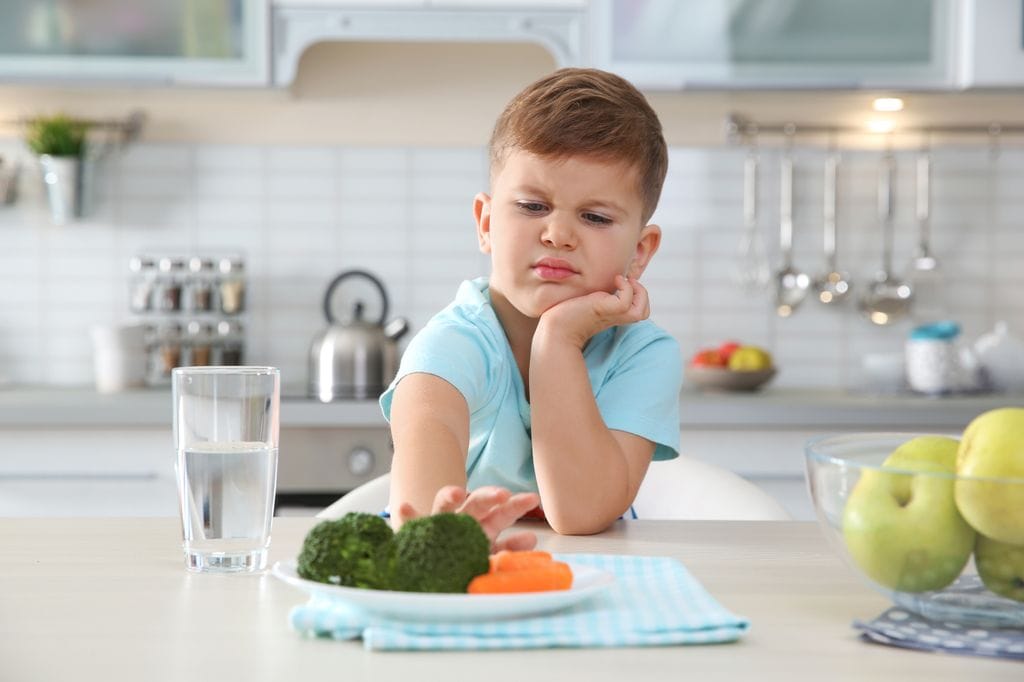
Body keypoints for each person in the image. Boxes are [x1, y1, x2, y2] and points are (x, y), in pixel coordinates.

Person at [380, 67, 681, 548]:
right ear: (485, 223)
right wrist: (457, 547)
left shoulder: (644, 355)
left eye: (595, 217)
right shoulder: (452, 344)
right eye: (533, 207)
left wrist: (559, 338)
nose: (558, 234)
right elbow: (424, 526)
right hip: (463, 575)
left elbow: (580, 513)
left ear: (640, 251)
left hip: (601, 582)